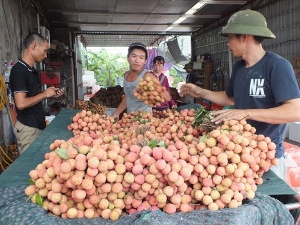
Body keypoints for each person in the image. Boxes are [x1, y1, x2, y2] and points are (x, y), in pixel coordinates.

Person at [179, 9, 300, 180]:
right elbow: (230, 98)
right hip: (239, 153)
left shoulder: (277, 66)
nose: (227, 43)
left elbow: (295, 111)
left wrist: (245, 112)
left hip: (267, 157)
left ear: (244, 37)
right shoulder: (239, 68)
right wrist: (202, 92)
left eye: (230, 38)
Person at [9, 33, 64, 154]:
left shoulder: (31, 70)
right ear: (33, 46)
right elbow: (21, 103)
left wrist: (51, 94)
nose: (45, 55)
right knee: (30, 167)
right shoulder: (19, 70)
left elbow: (33, 97)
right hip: (28, 128)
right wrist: (44, 94)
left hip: (36, 126)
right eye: (44, 51)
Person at [113, 43, 170, 118]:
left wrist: (152, 92)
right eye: (134, 56)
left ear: (145, 61)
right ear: (128, 58)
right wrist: (117, 113)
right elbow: (128, 97)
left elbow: (167, 97)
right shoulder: (126, 75)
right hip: (130, 120)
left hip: (145, 121)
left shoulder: (148, 76)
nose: (137, 60)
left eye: (141, 57)